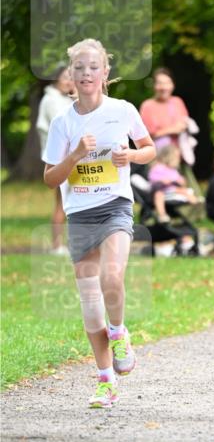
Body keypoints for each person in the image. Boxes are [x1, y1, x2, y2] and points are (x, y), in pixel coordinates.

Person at [42, 38, 156, 409]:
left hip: (115, 206)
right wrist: (75, 154)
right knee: (90, 304)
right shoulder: (63, 122)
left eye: (94, 67)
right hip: (79, 214)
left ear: (105, 72)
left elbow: (149, 148)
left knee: (113, 276)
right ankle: (105, 380)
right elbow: (50, 178)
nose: (86, 73)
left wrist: (131, 155)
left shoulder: (122, 110)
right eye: (79, 68)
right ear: (71, 76)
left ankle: (119, 331)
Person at [36, 64, 75, 254]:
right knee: (61, 201)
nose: (69, 81)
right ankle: (57, 245)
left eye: (71, 77)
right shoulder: (51, 100)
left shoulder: (64, 99)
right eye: (65, 77)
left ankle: (68, 243)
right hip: (59, 158)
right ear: (56, 79)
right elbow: (61, 128)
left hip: (69, 157)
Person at [148, 144, 202, 223]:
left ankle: (194, 200)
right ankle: (162, 215)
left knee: (182, 190)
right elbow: (152, 178)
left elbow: (180, 180)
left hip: (172, 190)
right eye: (177, 157)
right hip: (162, 190)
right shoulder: (158, 167)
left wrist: (181, 181)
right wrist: (163, 181)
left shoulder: (173, 170)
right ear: (169, 157)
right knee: (159, 195)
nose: (179, 159)